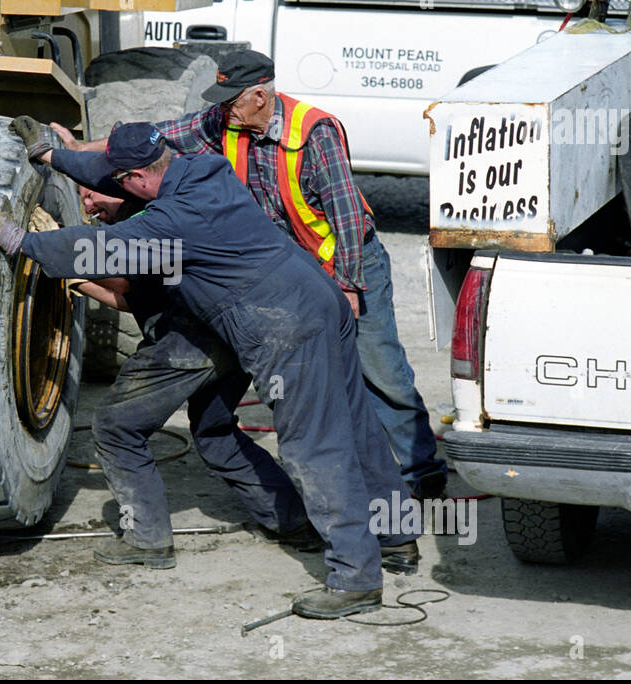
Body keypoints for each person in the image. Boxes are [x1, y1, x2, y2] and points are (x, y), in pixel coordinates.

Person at [0, 122, 418, 619]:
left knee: (316, 446)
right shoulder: (204, 170)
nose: (105, 191)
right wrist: (52, 157)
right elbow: (106, 170)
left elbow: (90, 250)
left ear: (137, 177)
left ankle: (356, 578)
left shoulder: (172, 221)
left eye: (119, 181)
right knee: (357, 429)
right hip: (319, 298)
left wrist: (18, 240)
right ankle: (397, 537)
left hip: (286, 329)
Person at [51, 50, 447, 500]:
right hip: (291, 270)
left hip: (345, 260)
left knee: (380, 371)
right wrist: (82, 150)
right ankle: (348, 482)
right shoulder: (225, 122)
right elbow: (161, 138)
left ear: (260, 95)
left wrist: (350, 286)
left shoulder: (315, 132)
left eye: (231, 101)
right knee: (318, 380)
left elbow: (348, 219)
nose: (223, 110)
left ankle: (423, 473)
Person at [60, 176, 318, 570]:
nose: (89, 206)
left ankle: (147, 540)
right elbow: (135, 297)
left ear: (121, 185)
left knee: (116, 427)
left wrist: (62, 260)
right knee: (213, 431)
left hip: (189, 339)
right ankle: (292, 521)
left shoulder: (147, 223)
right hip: (233, 334)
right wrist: (80, 282)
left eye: (91, 195)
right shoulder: (175, 209)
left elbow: (128, 289)